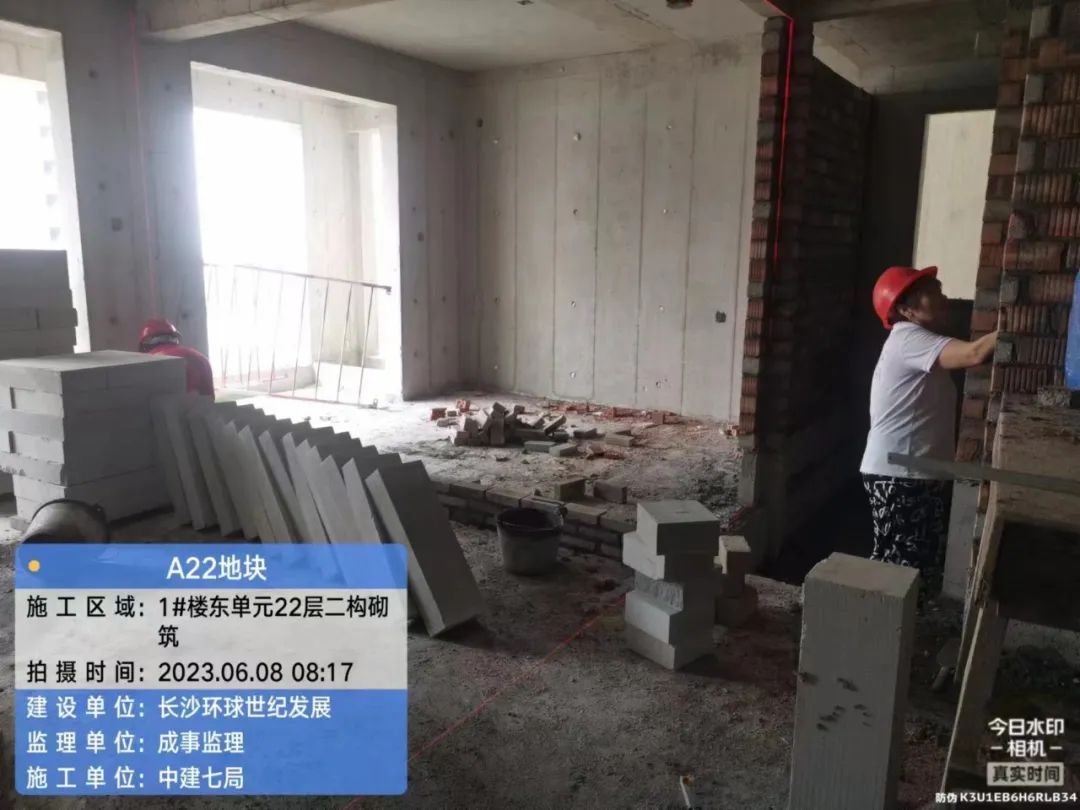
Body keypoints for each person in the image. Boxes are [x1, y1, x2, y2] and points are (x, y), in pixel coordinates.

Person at [859, 266, 997, 595]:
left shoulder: (916, 341)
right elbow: (975, 353)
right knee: (898, 572)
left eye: (940, 289)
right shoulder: (909, 339)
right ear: (905, 309)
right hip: (900, 474)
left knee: (914, 569)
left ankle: (896, 624)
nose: (943, 297)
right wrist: (1013, 326)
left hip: (912, 473)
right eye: (931, 292)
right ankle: (869, 622)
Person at [138, 318, 215, 400]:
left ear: (145, 344)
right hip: (202, 407)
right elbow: (210, 398)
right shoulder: (202, 358)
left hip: (165, 407)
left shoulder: (148, 363)